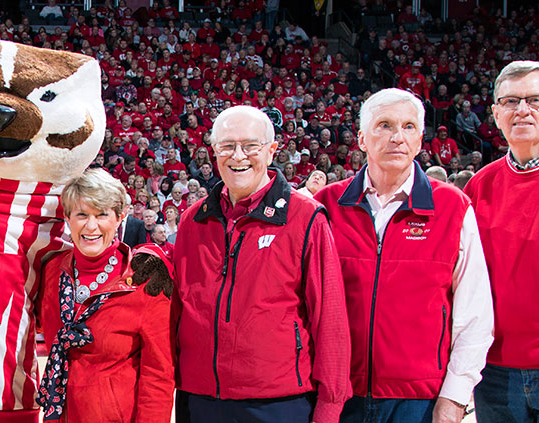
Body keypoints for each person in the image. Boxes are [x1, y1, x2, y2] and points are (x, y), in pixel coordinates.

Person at [314, 89, 493, 423]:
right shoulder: (326, 205)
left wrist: (454, 398)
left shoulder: (452, 207)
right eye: (384, 125)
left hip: (419, 400)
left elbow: (475, 313)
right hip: (338, 396)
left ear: (421, 139)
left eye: (409, 127)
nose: (398, 137)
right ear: (362, 139)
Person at [173, 106, 351, 423]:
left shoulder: (305, 217)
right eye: (227, 146)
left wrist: (330, 405)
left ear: (270, 151)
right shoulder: (193, 220)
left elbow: (330, 319)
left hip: (278, 403)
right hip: (198, 399)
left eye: (250, 146)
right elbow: (179, 308)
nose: (238, 156)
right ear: (214, 153)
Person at [36, 169, 174, 423]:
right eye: (81, 215)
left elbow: (159, 374)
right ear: (67, 218)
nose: (91, 226)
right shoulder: (51, 270)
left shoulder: (144, 279)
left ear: (120, 218)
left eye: (102, 215)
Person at [465, 60, 539, 422]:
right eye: (511, 101)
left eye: (535, 100)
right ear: (495, 114)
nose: (523, 109)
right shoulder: (480, 185)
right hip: (494, 370)